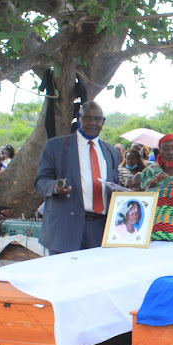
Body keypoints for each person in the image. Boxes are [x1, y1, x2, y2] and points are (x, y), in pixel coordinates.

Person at [34, 100, 120, 254]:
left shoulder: (111, 152)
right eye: (87, 118)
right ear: (78, 118)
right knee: (64, 277)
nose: (92, 123)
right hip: (64, 231)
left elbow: (115, 185)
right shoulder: (55, 146)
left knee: (96, 277)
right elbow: (40, 182)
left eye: (97, 119)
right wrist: (55, 187)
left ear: (103, 122)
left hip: (101, 231)